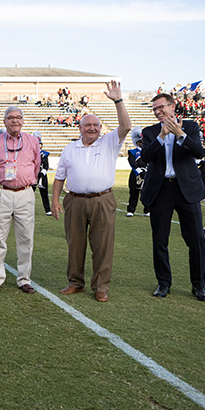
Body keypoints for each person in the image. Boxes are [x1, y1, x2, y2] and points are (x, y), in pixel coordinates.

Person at [52, 81, 130, 303]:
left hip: (102, 200)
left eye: (96, 125)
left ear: (100, 128)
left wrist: (118, 101)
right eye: (88, 125)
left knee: (103, 246)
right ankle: (75, 283)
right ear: (80, 128)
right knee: (75, 245)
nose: (92, 128)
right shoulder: (70, 148)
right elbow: (59, 177)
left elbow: (125, 127)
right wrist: (56, 201)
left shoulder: (109, 143)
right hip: (74, 201)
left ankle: (101, 287)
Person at [140, 92, 205, 301]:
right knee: (160, 239)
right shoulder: (150, 132)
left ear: (172, 106)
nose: (158, 112)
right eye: (154, 109)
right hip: (161, 190)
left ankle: (198, 286)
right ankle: (163, 283)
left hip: (186, 188)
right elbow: (145, 157)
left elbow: (199, 152)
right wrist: (161, 137)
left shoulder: (190, 127)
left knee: (196, 239)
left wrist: (180, 135)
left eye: (161, 107)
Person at [0, 106, 41, 294]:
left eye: (18, 117)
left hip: (25, 192)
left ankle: (24, 278)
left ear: (23, 121)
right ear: (4, 121)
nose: (15, 121)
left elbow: (36, 167)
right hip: (1, 191)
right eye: (10, 118)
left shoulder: (33, 142)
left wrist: (23, 181)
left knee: (26, 238)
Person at [126, 127, 148, 217]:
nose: (142, 143)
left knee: (146, 193)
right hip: (136, 174)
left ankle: (147, 210)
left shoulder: (148, 151)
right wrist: (138, 170)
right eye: (141, 142)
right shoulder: (133, 152)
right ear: (137, 142)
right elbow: (131, 161)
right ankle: (131, 210)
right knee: (133, 193)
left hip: (146, 174)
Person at [33, 131, 52, 216]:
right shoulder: (31, 153)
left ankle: (48, 210)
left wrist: (42, 173)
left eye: (39, 144)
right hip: (33, 176)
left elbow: (46, 165)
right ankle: (28, 209)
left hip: (42, 176)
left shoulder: (44, 154)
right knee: (30, 194)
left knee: (44, 194)